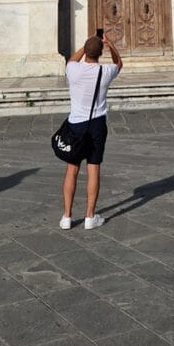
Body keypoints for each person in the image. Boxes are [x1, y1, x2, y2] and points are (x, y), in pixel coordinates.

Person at [60, 34, 122, 231]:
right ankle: (89, 217)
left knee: (72, 169)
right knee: (93, 168)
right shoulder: (106, 71)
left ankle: (67, 217)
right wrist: (110, 44)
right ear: (100, 53)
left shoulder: (73, 69)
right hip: (96, 125)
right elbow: (119, 62)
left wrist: (86, 45)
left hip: (76, 125)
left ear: (85, 52)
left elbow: (72, 59)